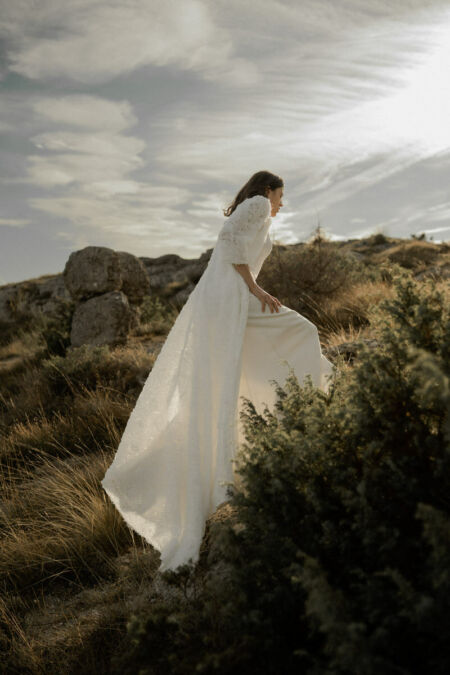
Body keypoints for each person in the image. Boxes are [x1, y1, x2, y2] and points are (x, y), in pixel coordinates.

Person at [101, 170, 334, 571]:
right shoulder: (257, 204)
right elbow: (228, 244)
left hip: (228, 296)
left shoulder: (255, 209)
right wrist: (255, 289)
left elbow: (234, 244)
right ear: (268, 190)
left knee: (239, 369)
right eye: (281, 195)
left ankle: (269, 425)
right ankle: (306, 398)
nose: (282, 203)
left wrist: (251, 288)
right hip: (232, 297)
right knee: (303, 330)